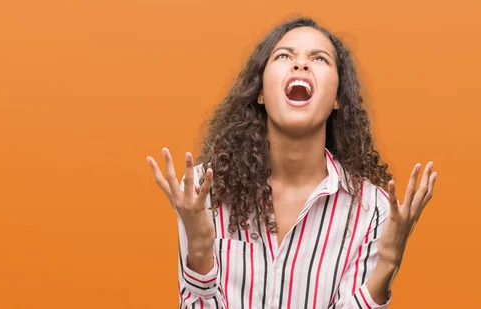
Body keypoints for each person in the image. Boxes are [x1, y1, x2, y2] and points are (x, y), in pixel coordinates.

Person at [146, 17, 437, 309]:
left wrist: (387, 265)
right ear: (260, 92)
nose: (301, 64)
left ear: (337, 98)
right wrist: (198, 252)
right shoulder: (202, 191)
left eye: (319, 58)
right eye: (284, 56)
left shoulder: (373, 209)